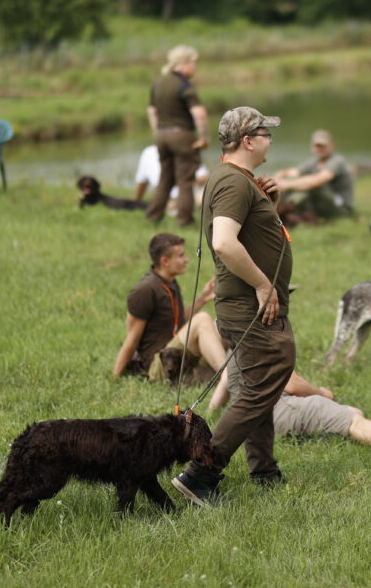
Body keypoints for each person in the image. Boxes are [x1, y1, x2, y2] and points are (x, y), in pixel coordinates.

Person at [172, 105, 295, 506]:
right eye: (266, 133)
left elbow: (248, 234)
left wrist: (269, 206)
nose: (270, 140)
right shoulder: (233, 183)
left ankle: (265, 471)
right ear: (248, 141)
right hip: (249, 305)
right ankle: (201, 473)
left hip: (246, 304)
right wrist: (263, 286)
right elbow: (225, 242)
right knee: (264, 380)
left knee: (255, 386)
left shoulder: (236, 179)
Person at [112, 233, 229, 410]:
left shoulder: (169, 283)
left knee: (221, 324)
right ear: (165, 261)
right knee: (203, 319)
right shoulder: (144, 290)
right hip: (158, 364)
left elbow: (179, 323)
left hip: (176, 355)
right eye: (181, 255)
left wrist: (203, 298)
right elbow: (132, 339)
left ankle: (237, 370)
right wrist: (115, 378)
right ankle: (228, 377)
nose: (187, 259)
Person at [145, 45, 209, 227]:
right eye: (194, 63)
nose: (195, 67)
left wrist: (157, 132)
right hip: (182, 135)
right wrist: (204, 137)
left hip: (162, 136)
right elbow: (200, 113)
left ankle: (153, 216)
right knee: (185, 180)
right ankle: (185, 220)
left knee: (165, 178)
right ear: (184, 63)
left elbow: (152, 111)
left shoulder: (158, 83)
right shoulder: (184, 85)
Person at [273, 129, 354, 221]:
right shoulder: (315, 161)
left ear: (331, 145)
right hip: (322, 205)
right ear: (312, 146)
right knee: (296, 182)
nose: (319, 148)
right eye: (317, 145)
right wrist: (281, 175)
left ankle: (286, 208)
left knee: (312, 185)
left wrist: (286, 184)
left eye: (323, 146)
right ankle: (281, 208)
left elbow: (317, 181)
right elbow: (294, 172)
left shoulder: (337, 161)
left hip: (341, 208)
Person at [133, 143, 209, 213]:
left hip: (185, 195)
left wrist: (187, 182)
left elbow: (204, 177)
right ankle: (176, 204)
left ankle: (176, 204)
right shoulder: (149, 152)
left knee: (204, 194)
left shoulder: (185, 148)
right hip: (172, 199)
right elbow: (142, 183)